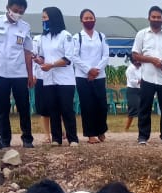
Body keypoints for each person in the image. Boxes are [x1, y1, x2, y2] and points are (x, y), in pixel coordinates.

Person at [0, 0, 35, 148]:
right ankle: (5, 140)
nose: (18, 14)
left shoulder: (25, 27)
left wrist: (30, 75)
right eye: (15, 10)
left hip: (19, 73)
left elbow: (27, 52)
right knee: (3, 108)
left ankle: (27, 139)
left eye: (21, 12)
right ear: (7, 8)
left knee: (23, 107)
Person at [131, 5, 162, 145]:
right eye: (154, 17)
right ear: (149, 18)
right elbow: (135, 55)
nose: (156, 19)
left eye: (159, 17)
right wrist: (151, 60)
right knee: (145, 107)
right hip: (147, 77)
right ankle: (143, 136)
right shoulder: (142, 34)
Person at [35, 7, 78, 147]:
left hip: (65, 79)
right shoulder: (43, 38)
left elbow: (68, 58)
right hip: (49, 79)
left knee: (66, 109)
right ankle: (56, 139)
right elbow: (42, 55)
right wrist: (39, 60)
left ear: (53, 18)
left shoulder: (66, 36)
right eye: (42, 18)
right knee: (53, 109)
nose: (43, 21)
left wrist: (51, 65)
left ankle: (72, 138)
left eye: (45, 18)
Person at [74, 9, 109, 144]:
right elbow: (74, 57)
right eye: (86, 18)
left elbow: (105, 55)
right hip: (83, 76)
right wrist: (88, 70)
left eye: (91, 18)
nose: (89, 20)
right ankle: (90, 134)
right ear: (81, 20)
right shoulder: (77, 37)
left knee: (101, 105)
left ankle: (101, 130)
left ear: (95, 19)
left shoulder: (101, 36)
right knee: (87, 105)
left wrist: (97, 70)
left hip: (99, 76)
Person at [30, 34, 50, 143]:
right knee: (44, 107)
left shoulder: (61, 36)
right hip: (41, 76)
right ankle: (47, 135)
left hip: (56, 77)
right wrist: (33, 74)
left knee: (59, 106)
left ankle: (62, 130)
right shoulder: (37, 39)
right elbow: (33, 57)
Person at [124, 58, 142, 131]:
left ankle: (141, 128)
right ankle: (126, 128)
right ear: (133, 61)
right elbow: (132, 81)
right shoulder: (130, 69)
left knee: (142, 109)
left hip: (140, 89)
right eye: (137, 61)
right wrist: (140, 81)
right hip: (132, 91)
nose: (139, 62)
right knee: (133, 109)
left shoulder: (141, 68)